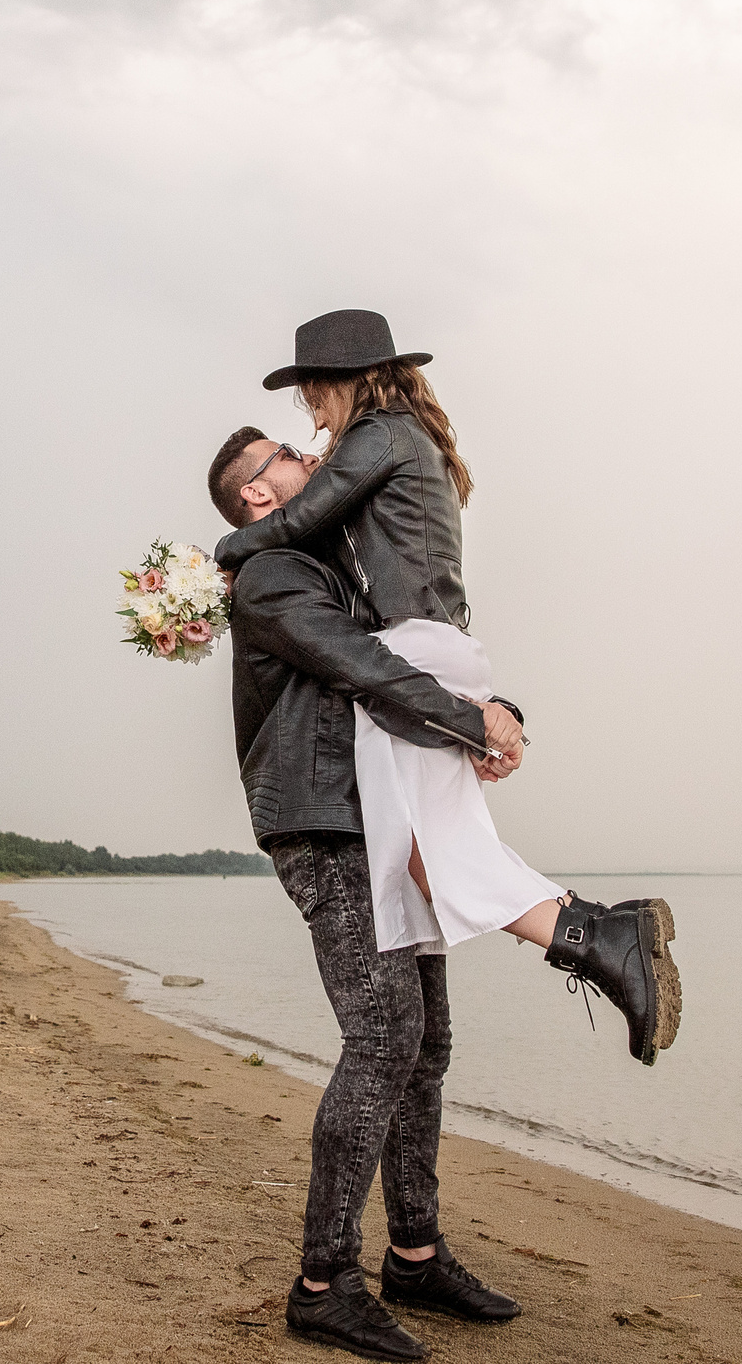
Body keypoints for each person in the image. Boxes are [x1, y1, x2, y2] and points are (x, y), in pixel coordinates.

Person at [213, 310, 682, 1064]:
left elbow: (299, 517)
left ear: (341, 380)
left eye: (310, 397)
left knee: (446, 856)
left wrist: (224, 554)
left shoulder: (379, 435)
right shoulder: (400, 435)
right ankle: (596, 936)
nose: (311, 418)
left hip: (416, 650)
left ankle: (602, 935)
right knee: (433, 856)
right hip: (439, 649)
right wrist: (482, 714)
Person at [218, 433, 524, 1360]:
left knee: (425, 1039)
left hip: (388, 820)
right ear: (259, 496)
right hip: (323, 823)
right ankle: (323, 1280)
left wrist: (497, 710)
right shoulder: (272, 576)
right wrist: (465, 717)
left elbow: (412, 654)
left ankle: (415, 1254)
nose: (313, 454)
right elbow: (362, 667)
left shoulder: (343, 567)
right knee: (385, 1034)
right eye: (286, 454)